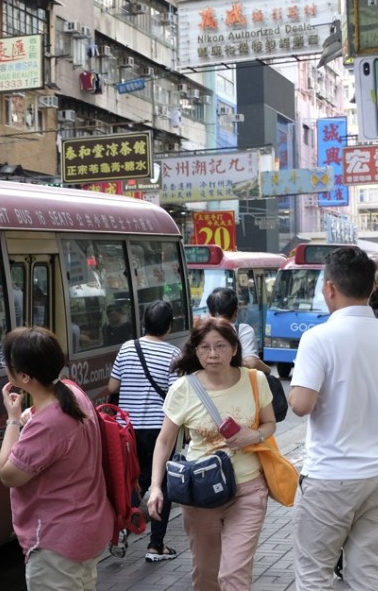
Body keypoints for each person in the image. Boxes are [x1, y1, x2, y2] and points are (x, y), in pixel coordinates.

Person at [147, 317, 276, 591]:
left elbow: (269, 423)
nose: (213, 354)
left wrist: (253, 435)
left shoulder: (255, 380)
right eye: (204, 347)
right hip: (200, 494)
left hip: (247, 489)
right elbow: (165, 440)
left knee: (233, 575)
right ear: (195, 351)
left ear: (234, 349)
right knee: (206, 576)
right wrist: (156, 487)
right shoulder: (183, 388)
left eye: (220, 346)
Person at [0, 326, 114, 591]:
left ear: (24, 376)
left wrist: (14, 419)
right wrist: (31, 414)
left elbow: (8, 474)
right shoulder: (72, 392)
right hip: (87, 528)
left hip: (57, 542)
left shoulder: (49, 423)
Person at [290, 246, 378, 590]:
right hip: (376, 476)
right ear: (371, 287)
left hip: (331, 476)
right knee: (367, 573)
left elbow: (301, 404)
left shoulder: (318, 338)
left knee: (314, 573)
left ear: (329, 288)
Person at [106, 300, 181, 562]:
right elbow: (175, 396)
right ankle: (155, 545)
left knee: (130, 482)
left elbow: (113, 386)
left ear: (144, 322)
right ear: (169, 325)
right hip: (159, 431)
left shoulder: (127, 348)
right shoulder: (173, 354)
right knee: (160, 484)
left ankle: (121, 533)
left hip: (128, 430)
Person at [205, 286, 271, 375]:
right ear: (236, 312)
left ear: (209, 313)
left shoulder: (201, 331)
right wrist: (267, 369)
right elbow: (252, 363)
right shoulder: (243, 331)